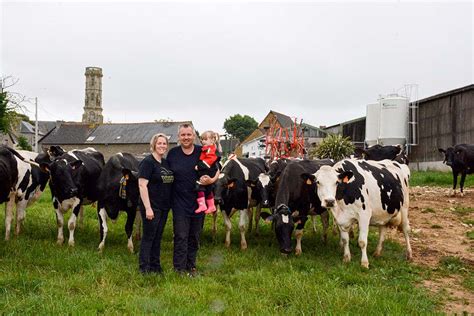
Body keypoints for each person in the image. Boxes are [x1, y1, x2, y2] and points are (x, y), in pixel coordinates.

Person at [167, 123, 219, 276]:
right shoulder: (173, 154)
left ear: (194, 136)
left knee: (194, 235)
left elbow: (217, 167)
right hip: (179, 202)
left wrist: (211, 180)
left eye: (189, 134)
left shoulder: (202, 151)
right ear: (179, 137)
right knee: (181, 235)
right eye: (183, 135)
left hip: (198, 201)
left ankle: (191, 266)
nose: (186, 138)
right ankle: (179, 268)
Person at [138, 133, 174, 274]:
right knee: (149, 237)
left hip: (164, 206)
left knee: (158, 236)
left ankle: (155, 265)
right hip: (151, 206)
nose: (162, 146)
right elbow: (142, 185)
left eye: (164, 143)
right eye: (159, 143)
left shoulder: (165, 163)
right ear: (153, 144)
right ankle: (144, 268)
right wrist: (148, 208)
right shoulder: (148, 162)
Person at [194, 130, 221, 214]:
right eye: (202, 139)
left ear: (212, 140)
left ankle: (202, 205)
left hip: (207, 172)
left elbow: (210, 159)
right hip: (209, 171)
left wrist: (199, 166)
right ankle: (212, 206)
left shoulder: (210, 149)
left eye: (205, 139)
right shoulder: (208, 148)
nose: (203, 141)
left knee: (199, 185)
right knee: (208, 189)